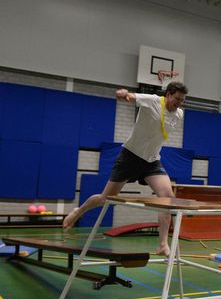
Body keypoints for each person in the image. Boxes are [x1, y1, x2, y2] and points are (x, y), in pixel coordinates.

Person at [63, 78, 187, 257]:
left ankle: (162, 244)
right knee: (106, 198)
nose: (179, 103)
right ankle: (78, 211)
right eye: (177, 98)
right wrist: (124, 95)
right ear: (168, 95)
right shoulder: (152, 101)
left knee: (167, 199)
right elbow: (132, 97)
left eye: (183, 100)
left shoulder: (179, 114)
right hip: (129, 157)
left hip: (151, 161)